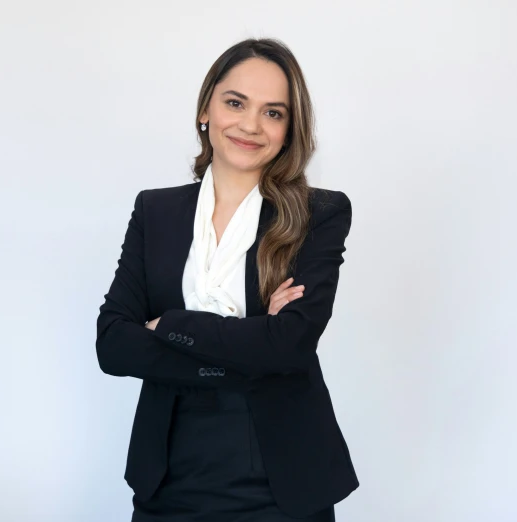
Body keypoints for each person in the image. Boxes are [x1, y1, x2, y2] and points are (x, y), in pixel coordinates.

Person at [96, 37, 358, 521]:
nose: (250, 125)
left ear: (289, 129)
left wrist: (172, 325)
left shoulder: (318, 214)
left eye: (273, 112)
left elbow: (289, 346)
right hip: (170, 476)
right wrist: (248, 348)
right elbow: (112, 344)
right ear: (206, 109)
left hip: (281, 480)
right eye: (235, 103)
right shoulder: (156, 211)